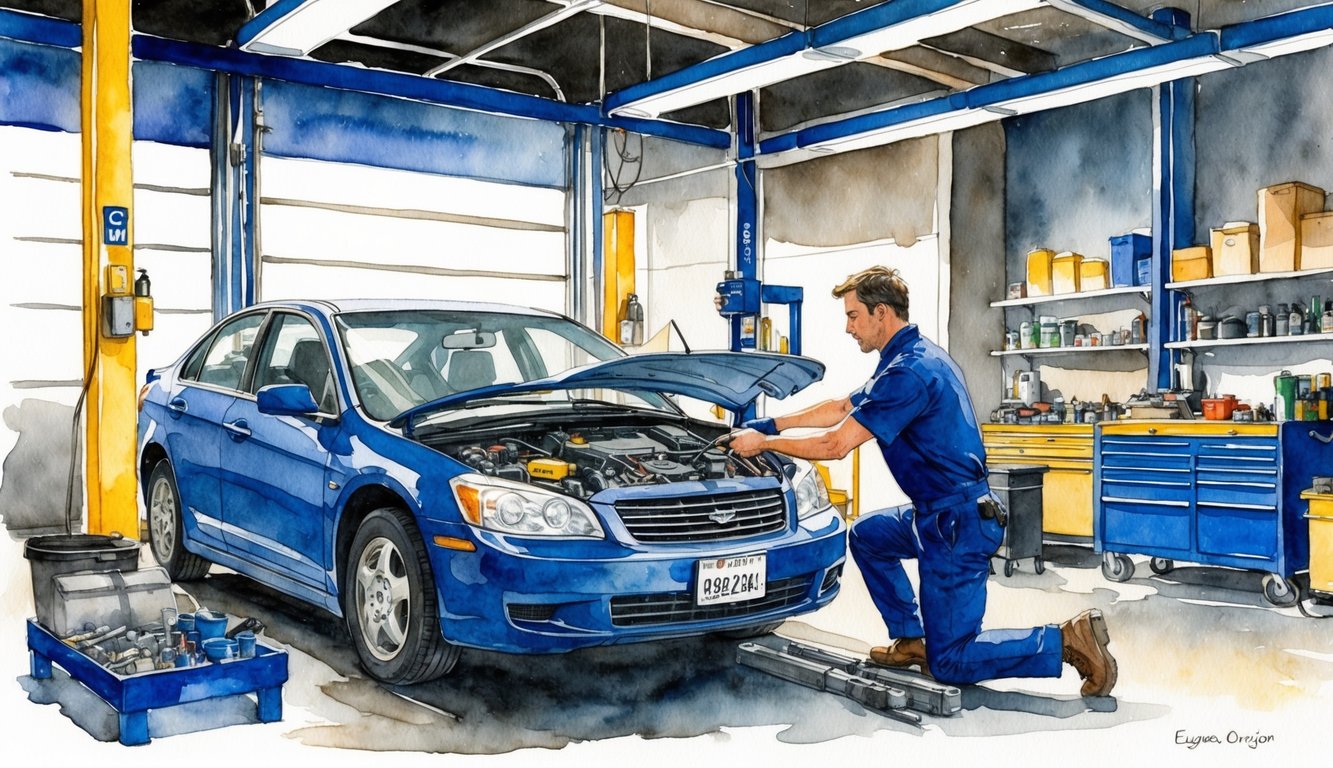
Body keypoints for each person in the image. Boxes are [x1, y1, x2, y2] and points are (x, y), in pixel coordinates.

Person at [727, 266, 1117, 697]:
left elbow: (838, 444)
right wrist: (773, 422)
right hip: (934, 513)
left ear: (881, 313)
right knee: (868, 536)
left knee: (950, 661)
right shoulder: (906, 358)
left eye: (854, 316)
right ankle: (911, 640)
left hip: (957, 524)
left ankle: (1064, 641)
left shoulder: (908, 375)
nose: (848, 327)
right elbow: (841, 406)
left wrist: (765, 444)